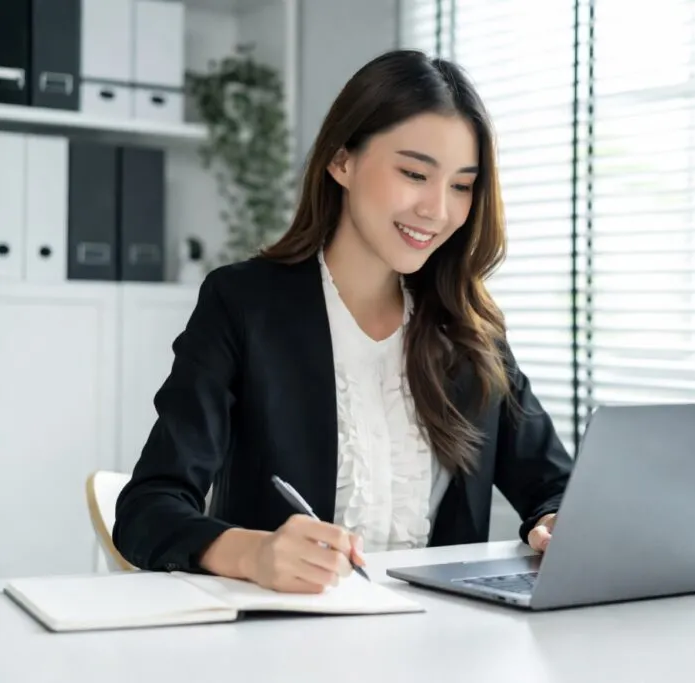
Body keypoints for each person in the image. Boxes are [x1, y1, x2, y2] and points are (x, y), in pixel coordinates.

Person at [112, 49, 574, 595]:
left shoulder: (468, 328)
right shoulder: (244, 303)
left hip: (443, 643)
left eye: (461, 185)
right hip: (284, 641)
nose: (437, 209)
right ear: (341, 162)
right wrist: (253, 552)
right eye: (414, 173)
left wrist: (553, 524)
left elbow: (556, 488)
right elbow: (147, 510)